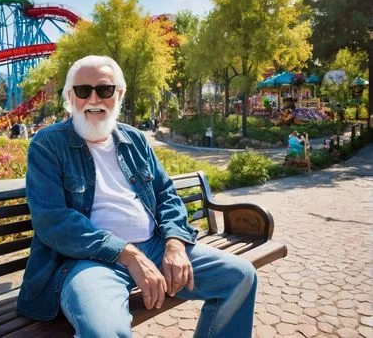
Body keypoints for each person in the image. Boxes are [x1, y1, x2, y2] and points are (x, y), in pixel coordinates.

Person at [17, 55, 257, 337]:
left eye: (104, 90)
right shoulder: (48, 144)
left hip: (155, 247)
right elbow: (53, 221)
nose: (93, 99)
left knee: (241, 277)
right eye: (83, 91)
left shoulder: (136, 140)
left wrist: (175, 244)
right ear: (70, 97)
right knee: (104, 331)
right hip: (89, 261)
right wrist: (127, 254)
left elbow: (166, 195)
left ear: (119, 94)